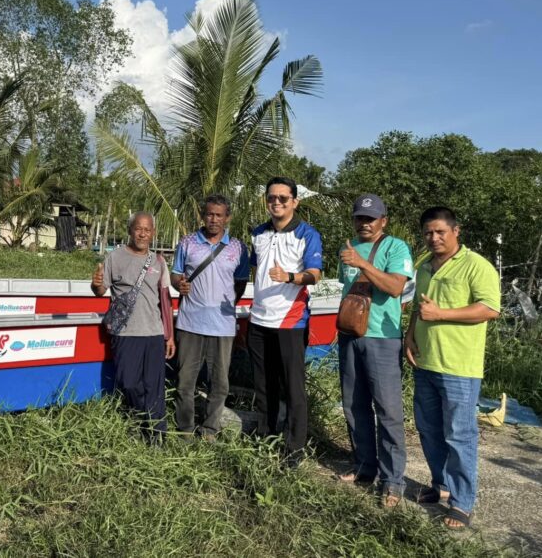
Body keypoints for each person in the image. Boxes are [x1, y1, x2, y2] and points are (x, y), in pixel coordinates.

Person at [405, 206, 500, 529]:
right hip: (425, 361)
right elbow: (420, 308)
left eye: (440, 232)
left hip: (459, 366)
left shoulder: (477, 266)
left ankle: (462, 502)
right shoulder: (424, 266)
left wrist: (442, 314)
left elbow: (489, 309)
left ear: (456, 231)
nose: (433, 238)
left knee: (459, 435)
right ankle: (441, 485)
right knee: (429, 429)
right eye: (428, 233)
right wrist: (409, 336)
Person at [335, 194, 413, 507]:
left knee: (389, 412)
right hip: (350, 334)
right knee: (354, 405)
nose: (364, 223)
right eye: (359, 218)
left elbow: (395, 287)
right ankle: (365, 466)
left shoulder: (395, 247)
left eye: (370, 218)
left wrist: (363, 263)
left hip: (383, 337)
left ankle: (393, 481)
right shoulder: (348, 248)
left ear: (383, 220)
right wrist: (353, 261)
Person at [247, 176, 323, 462]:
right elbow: (253, 269)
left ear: (295, 202)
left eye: (282, 198)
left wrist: (290, 277)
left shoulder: (307, 234)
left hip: (290, 321)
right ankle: (266, 437)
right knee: (264, 385)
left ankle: (294, 448)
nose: (276, 202)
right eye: (271, 198)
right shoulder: (258, 233)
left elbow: (315, 275)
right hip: (259, 320)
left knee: (293, 388)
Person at [170, 194, 249, 440]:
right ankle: (184, 430)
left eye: (219, 215)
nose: (213, 219)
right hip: (190, 322)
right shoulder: (187, 242)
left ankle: (210, 430)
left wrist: (222, 306)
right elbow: (175, 274)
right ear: (203, 215)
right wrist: (179, 285)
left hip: (223, 326)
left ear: (227, 218)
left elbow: (240, 283)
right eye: (209, 214)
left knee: (220, 383)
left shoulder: (238, 247)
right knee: (185, 381)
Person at [91, 212, 174, 441]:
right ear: (130, 230)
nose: (143, 234)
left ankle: (157, 437)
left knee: (154, 388)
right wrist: (95, 284)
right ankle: (141, 423)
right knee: (129, 382)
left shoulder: (158, 261)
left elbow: (165, 301)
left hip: (154, 333)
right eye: (138, 229)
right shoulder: (115, 257)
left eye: (147, 230)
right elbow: (100, 291)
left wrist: (170, 336)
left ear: (153, 233)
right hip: (126, 333)